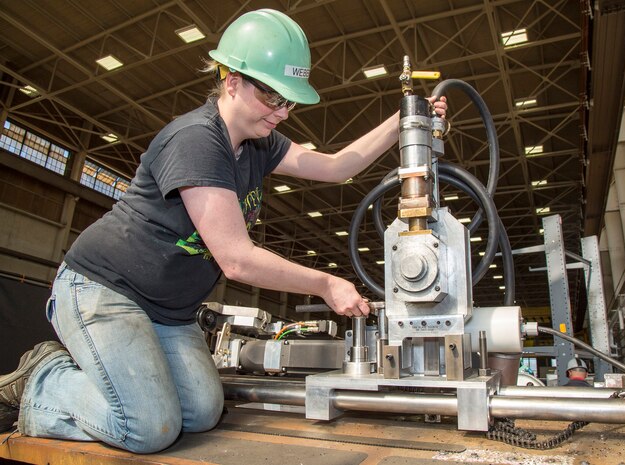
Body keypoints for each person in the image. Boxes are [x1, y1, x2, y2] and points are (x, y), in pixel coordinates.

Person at [0, 9, 447, 454]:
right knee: (148, 427)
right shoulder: (196, 140)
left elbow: (337, 167)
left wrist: (407, 119)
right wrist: (326, 282)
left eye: (289, 102)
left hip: (169, 311)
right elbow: (236, 259)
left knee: (199, 414)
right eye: (272, 98)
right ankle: (43, 381)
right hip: (106, 291)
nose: (283, 113)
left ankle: (121, 387)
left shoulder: (260, 142)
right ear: (231, 80)